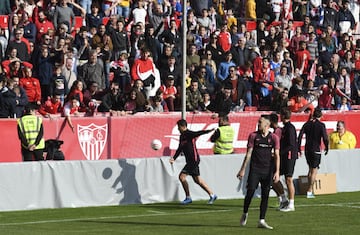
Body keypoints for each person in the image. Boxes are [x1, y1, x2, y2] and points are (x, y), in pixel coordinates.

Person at [237, 115, 280, 230]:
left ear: (267, 125)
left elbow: (277, 155)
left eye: (260, 122)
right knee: (250, 191)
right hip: (255, 170)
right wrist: (242, 170)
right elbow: (248, 154)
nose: (258, 123)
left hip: (267, 171)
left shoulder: (274, 138)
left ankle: (262, 220)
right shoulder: (253, 136)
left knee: (265, 195)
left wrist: (277, 171)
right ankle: (245, 212)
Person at [170, 119, 217, 205]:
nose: (178, 129)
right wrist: (174, 158)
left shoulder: (189, 134)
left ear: (183, 126)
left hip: (193, 160)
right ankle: (212, 194)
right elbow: (180, 148)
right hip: (191, 161)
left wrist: (208, 131)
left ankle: (188, 198)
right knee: (197, 180)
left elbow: (198, 133)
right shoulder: (182, 136)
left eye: (178, 127)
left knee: (182, 177)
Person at [297, 108, 329, 199]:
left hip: (307, 149)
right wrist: (327, 147)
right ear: (321, 116)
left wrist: (299, 148)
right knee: (314, 170)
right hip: (316, 150)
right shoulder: (321, 125)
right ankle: (309, 190)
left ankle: (308, 189)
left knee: (310, 169)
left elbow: (300, 137)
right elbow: (325, 138)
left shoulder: (306, 124)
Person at [273, 108, 298, 212]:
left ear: (283, 116)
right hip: (285, 156)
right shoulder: (285, 128)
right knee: (274, 178)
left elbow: (291, 144)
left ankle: (291, 204)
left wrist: (280, 152)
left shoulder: (290, 128)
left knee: (289, 179)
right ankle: (284, 200)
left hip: (289, 156)